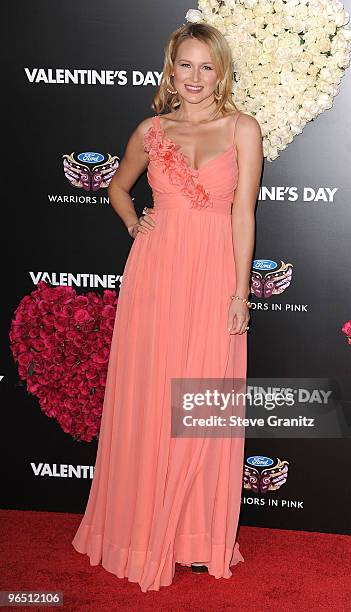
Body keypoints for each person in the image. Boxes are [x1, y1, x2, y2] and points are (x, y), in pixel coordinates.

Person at [71, 21, 263, 593]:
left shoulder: (243, 129)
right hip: (155, 275)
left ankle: (196, 536)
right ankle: (140, 529)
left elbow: (244, 215)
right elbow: (117, 186)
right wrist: (135, 223)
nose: (196, 77)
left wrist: (240, 291)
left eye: (208, 66)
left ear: (221, 71)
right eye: (186, 65)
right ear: (171, 69)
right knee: (152, 398)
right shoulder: (151, 130)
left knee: (203, 399)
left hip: (213, 276)